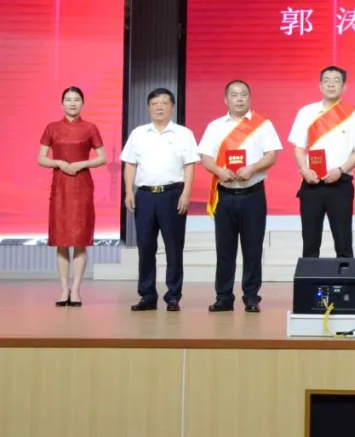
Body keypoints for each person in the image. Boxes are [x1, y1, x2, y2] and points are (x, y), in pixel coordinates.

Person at [197, 80, 282, 313]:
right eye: (234, 95)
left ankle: (251, 297)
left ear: (249, 98)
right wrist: (219, 171)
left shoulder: (263, 125)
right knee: (224, 250)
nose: (239, 99)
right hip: (224, 195)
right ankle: (223, 297)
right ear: (226, 99)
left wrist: (252, 168)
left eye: (244, 94)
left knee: (252, 249)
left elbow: (271, 156)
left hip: (252, 194)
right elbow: (205, 157)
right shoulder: (215, 126)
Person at [120, 88, 199, 311]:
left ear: (172, 106)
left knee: (174, 248)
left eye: (164, 103)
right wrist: (128, 192)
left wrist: (186, 193)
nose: (159, 107)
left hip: (173, 195)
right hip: (144, 196)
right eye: (154, 103)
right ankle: (147, 295)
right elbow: (130, 164)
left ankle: (173, 296)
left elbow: (189, 165)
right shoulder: (138, 133)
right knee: (145, 248)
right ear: (149, 108)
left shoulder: (184, 133)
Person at [288, 66, 355, 259]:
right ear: (320, 85)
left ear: (344, 86)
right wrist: (304, 170)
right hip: (311, 184)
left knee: (343, 242)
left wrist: (341, 171)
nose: (331, 85)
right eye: (326, 80)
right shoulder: (306, 112)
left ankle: (346, 278)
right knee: (310, 242)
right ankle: (310, 279)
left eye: (336, 80)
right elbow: (299, 147)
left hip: (340, 185)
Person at [37, 87, 107, 307]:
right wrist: (58, 162)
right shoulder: (52, 127)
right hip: (60, 186)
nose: (73, 103)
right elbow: (41, 158)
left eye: (77, 99)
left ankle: (76, 289)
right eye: (68, 99)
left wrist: (82, 164)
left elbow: (102, 158)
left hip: (82, 185)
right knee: (61, 239)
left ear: (82, 104)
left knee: (79, 239)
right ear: (62, 104)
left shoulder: (90, 128)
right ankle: (63, 288)